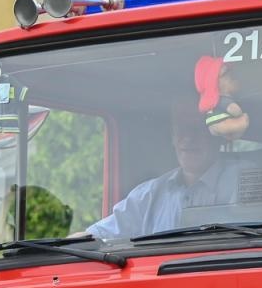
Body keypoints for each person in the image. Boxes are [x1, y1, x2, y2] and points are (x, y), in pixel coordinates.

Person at [84, 95, 247, 241]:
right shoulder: (148, 196)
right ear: (172, 138)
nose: (188, 138)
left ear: (217, 137)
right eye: (181, 129)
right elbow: (98, 236)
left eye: (198, 128)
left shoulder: (245, 186)